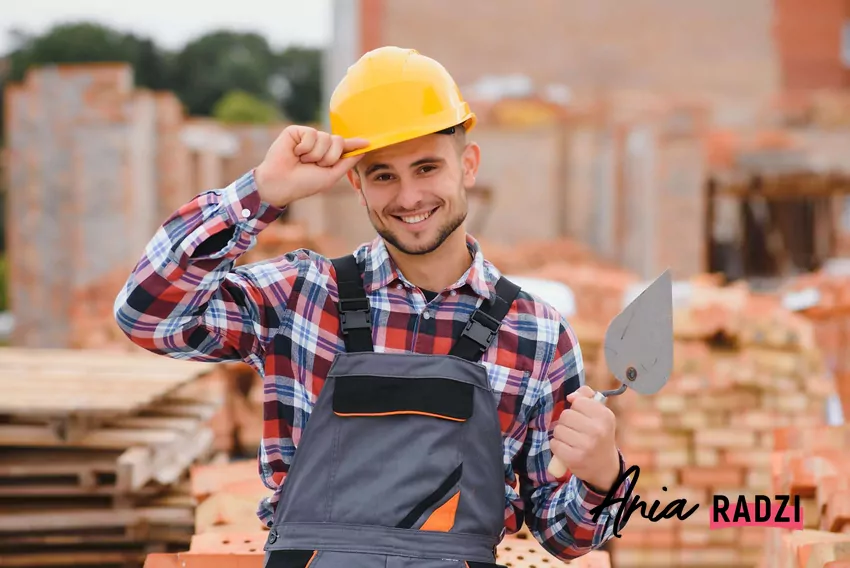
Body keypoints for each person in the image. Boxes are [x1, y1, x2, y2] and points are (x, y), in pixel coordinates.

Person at [114, 46, 632, 567]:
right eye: (383, 175)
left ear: (468, 165)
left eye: (426, 167)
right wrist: (261, 192)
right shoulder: (302, 296)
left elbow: (563, 537)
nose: (408, 197)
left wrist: (603, 476)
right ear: (356, 184)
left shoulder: (536, 334)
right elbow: (147, 316)